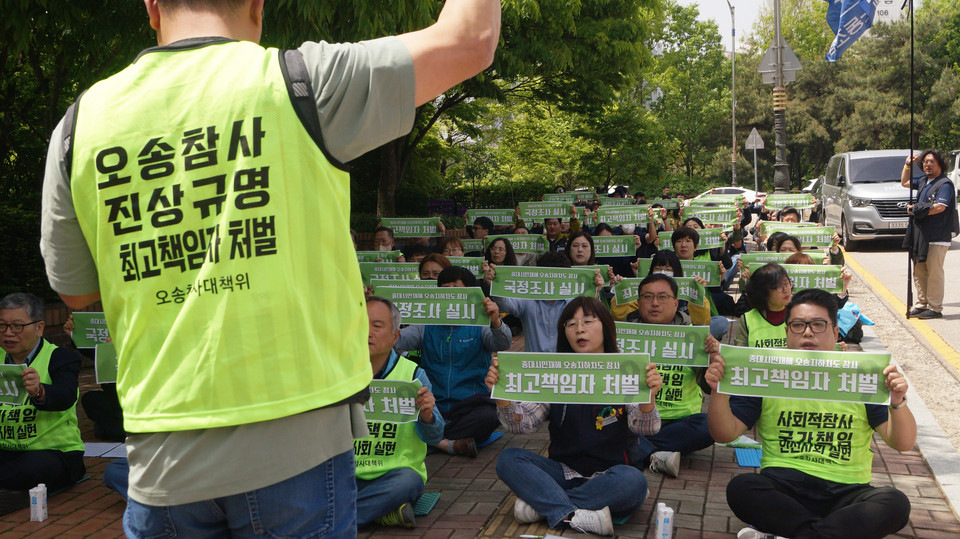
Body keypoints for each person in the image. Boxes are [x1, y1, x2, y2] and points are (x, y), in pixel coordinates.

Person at [39, 0, 500, 535]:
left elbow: (74, 292)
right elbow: (470, 39)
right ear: (258, 6)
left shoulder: (80, 124)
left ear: (152, 8)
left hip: (160, 455)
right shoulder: (301, 83)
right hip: (297, 453)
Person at [706, 289, 916, 539]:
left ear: (835, 332)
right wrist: (719, 392)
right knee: (742, 488)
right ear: (786, 332)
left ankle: (793, 533)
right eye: (798, 325)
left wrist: (897, 402)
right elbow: (724, 434)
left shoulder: (861, 375)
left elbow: (902, 442)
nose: (807, 332)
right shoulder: (766, 373)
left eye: (818, 324)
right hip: (784, 487)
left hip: (847, 492)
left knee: (895, 503)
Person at [488, 297, 662, 536]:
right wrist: (502, 397)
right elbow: (523, 424)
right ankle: (573, 514)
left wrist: (648, 398)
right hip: (562, 473)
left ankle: (546, 505)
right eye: (571, 324)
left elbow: (647, 429)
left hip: (612, 474)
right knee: (509, 459)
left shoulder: (627, 369)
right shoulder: (555, 372)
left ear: (606, 327)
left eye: (588, 321)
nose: (579, 329)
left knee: (634, 483)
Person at [397, 267, 511, 458]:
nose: (451, 296)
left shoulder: (481, 324)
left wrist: (495, 322)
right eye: (445, 290)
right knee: (407, 411)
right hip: (433, 404)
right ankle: (447, 444)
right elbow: (396, 340)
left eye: (456, 290)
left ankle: (431, 440)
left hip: (470, 404)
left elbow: (503, 343)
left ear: (472, 293)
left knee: (490, 416)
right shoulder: (426, 324)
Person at [358, 297, 444, 528]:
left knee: (408, 482)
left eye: (377, 326)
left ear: (395, 336)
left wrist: (427, 415)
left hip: (395, 474)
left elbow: (435, 436)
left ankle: (337, 519)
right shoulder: (342, 374)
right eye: (362, 324)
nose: (367, 332)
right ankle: (380, 514)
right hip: (349, 472)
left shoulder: (413, 375)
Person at [628, 275, 720, 478]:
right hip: (636, 419)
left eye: (663, 297)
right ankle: (654, 455)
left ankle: (635, 450)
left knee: (709, 426)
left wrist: (714, 359)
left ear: (676, 303)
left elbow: (708, 387)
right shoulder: (623, 335)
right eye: (648, 297)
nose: (655, 303)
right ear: (638, 301)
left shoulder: (694, 337)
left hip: (679, 422)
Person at [0, 293, 85, 495]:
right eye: (2, 325)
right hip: (5, 449)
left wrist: (40, 391)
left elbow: (66, 396)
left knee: (34, 469)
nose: (8, 333)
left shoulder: (61, 358)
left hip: (52, 452)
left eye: (17, 326)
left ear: (39, 328)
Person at [484, 251, 605, 352]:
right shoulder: (528, 298)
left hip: (566, 366)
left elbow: (594, 317)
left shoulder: (574, 302)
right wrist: (494, 285)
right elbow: (505, 304)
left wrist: (596, 292)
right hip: (534, 367)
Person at [901, 149, 959, 320]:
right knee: (919, 271)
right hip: (921, 236)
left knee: (934, 272)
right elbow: (905, 182)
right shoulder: (923, 181)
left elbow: (940, 207)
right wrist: (907, 165)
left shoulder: (945, 184)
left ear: (940, 164)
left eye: (932, 161)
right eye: (925, 162)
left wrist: (917, 209)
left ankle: (935, 307)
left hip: (937, 236)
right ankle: (922, 303)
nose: (928, 165)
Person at [734, 263, 792, 348]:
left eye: (787, 283)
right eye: (778, 286)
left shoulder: (799, 315)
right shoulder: (747, 319)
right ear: (763, 292)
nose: (786, 290)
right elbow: (740, 351)